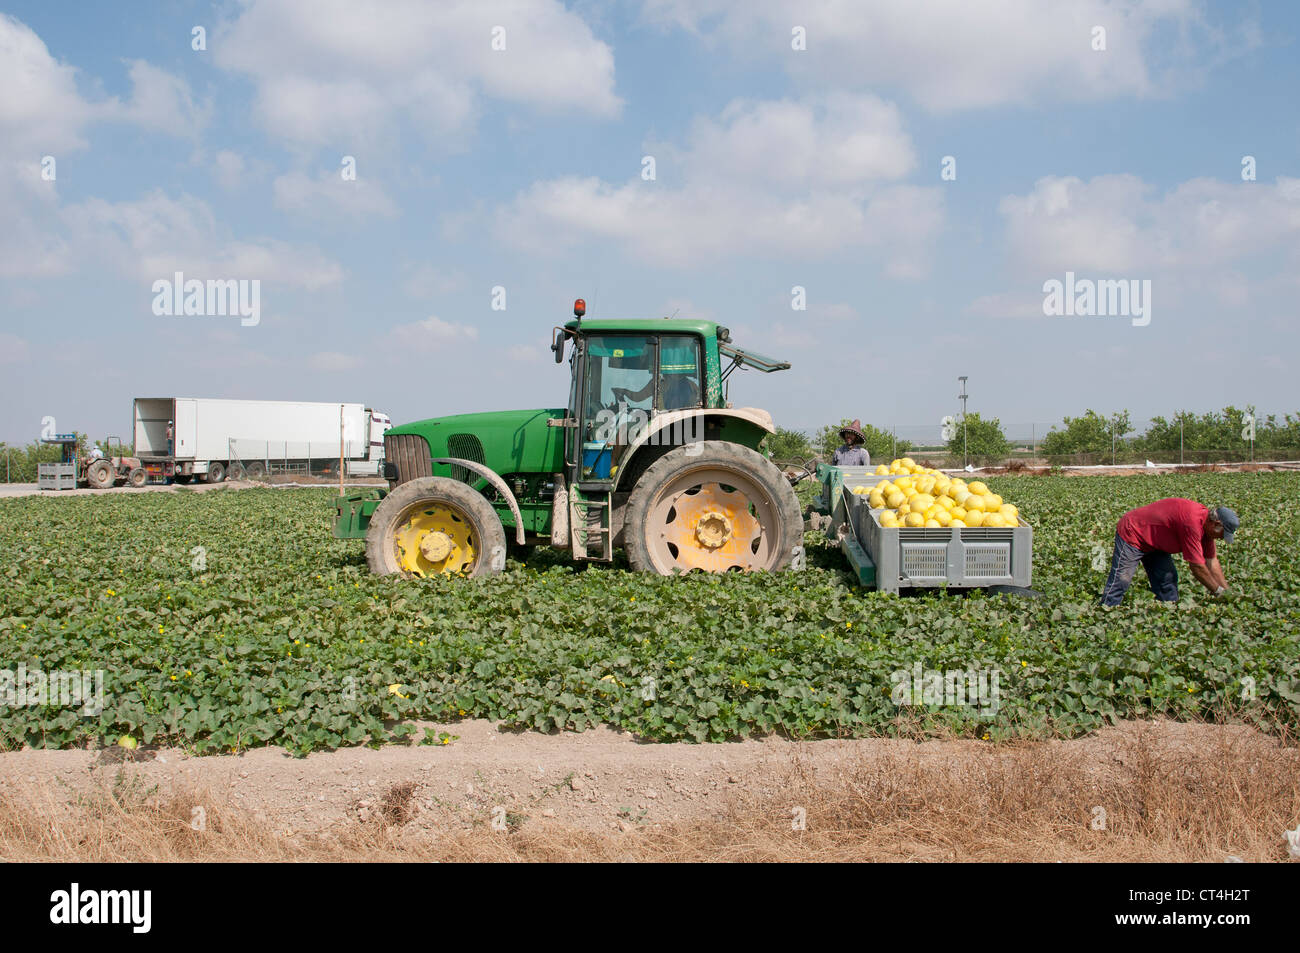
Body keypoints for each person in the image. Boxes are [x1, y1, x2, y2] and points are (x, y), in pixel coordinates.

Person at [1099, 498, 1239, 606]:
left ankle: (1168, 614)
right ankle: (1106, 610)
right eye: (1222, 534)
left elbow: (1211, 561)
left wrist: (1227, 592)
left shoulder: (1208, 531)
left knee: (1167, 579)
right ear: (1215, 524)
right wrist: (1217, 591)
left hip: (1156, 541)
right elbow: (1197, 566)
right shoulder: (1192, 523)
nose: (1220, 539)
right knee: (1122, 579)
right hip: (1134, 531)